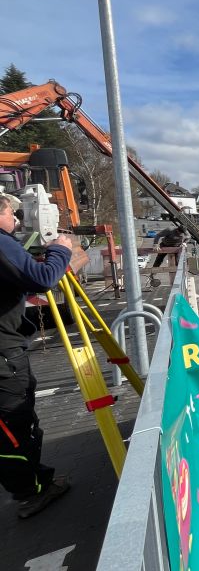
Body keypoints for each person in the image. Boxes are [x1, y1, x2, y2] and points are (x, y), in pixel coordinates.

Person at [0, 194, 73, 518]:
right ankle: (33, 490)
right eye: (11, 213)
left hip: (6, 345)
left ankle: (29, 485)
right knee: (16, 427)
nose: (16, 220)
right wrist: (61, 251)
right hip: (4, 359)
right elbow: (42, 279)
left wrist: (61, 315)